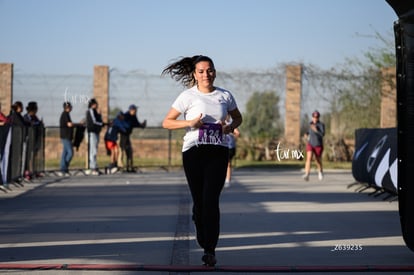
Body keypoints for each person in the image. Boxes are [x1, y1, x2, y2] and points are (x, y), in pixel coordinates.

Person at [162, 55, 242, 267]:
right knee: (199, 202)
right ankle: (198, 219)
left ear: (215, 72)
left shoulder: (225, 95)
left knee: (211, 200)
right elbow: (167, 122)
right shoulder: (187, 96)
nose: (206, 74)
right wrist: (190, 122)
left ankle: (210, 249)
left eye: (210, 70)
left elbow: (238, 117)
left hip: (218, 151)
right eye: (201, 71)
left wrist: (230, 127)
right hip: (193, 152)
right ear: (194, 75)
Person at [119, 104, 146, 172]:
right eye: (135, 110)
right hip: (123, 135)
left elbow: (136, 124)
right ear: (131, 110)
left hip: (127, 135)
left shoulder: (133, 116)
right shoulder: (126, 115)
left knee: (129, 151)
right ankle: (120, 166)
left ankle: (130, 166)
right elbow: (124, 124)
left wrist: (142, 125)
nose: (136, 111)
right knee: (121, 151)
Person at [303, 110, 325, 181]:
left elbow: (322, 134)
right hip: (310, 144)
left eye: (317, 117)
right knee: (308, 158)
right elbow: (308, 132)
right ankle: (307, 174)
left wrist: (316, 130)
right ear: (312, 117)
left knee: (317, 160)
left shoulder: (321, 125)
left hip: (318, 145)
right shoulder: (310, 124)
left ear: (318, 118)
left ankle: (320, 172)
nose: (315, 118)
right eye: (314, 117)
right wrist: (306, 134)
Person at [85, 98, 103, 175]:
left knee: (94, 150)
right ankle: (93, 168)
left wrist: (99, 115)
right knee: (93, 151)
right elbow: (94, 121)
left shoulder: (95, 112)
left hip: (95, 132)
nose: (96, 105)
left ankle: (94, 166)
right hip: (91, 132)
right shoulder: (90, 111)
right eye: (95, 104)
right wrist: (102, 124)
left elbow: (98, 119)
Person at [59, 102, 74, 175]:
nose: (71, 108)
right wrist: (76, 124)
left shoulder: (67, 114)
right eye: (70, 106)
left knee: (64, 153)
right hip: (65, 136)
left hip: (68, 136)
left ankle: (63, 169)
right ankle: (64, 167)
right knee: (70, 153)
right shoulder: (65, 114)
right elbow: (69, 124)